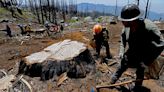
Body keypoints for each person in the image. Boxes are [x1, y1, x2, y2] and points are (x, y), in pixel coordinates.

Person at [110, 4, 164, 91]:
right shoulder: (126, 28)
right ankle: (113, 79)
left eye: (124, 20)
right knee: (123, 64)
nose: (122, 22)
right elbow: (123, 38)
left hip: (144, 55)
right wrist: (121, 51)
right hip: (132, 51)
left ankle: (137, 87)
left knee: (140, 70)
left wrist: (148, 61)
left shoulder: (149, 28)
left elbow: (161, 44)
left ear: (132, 20)